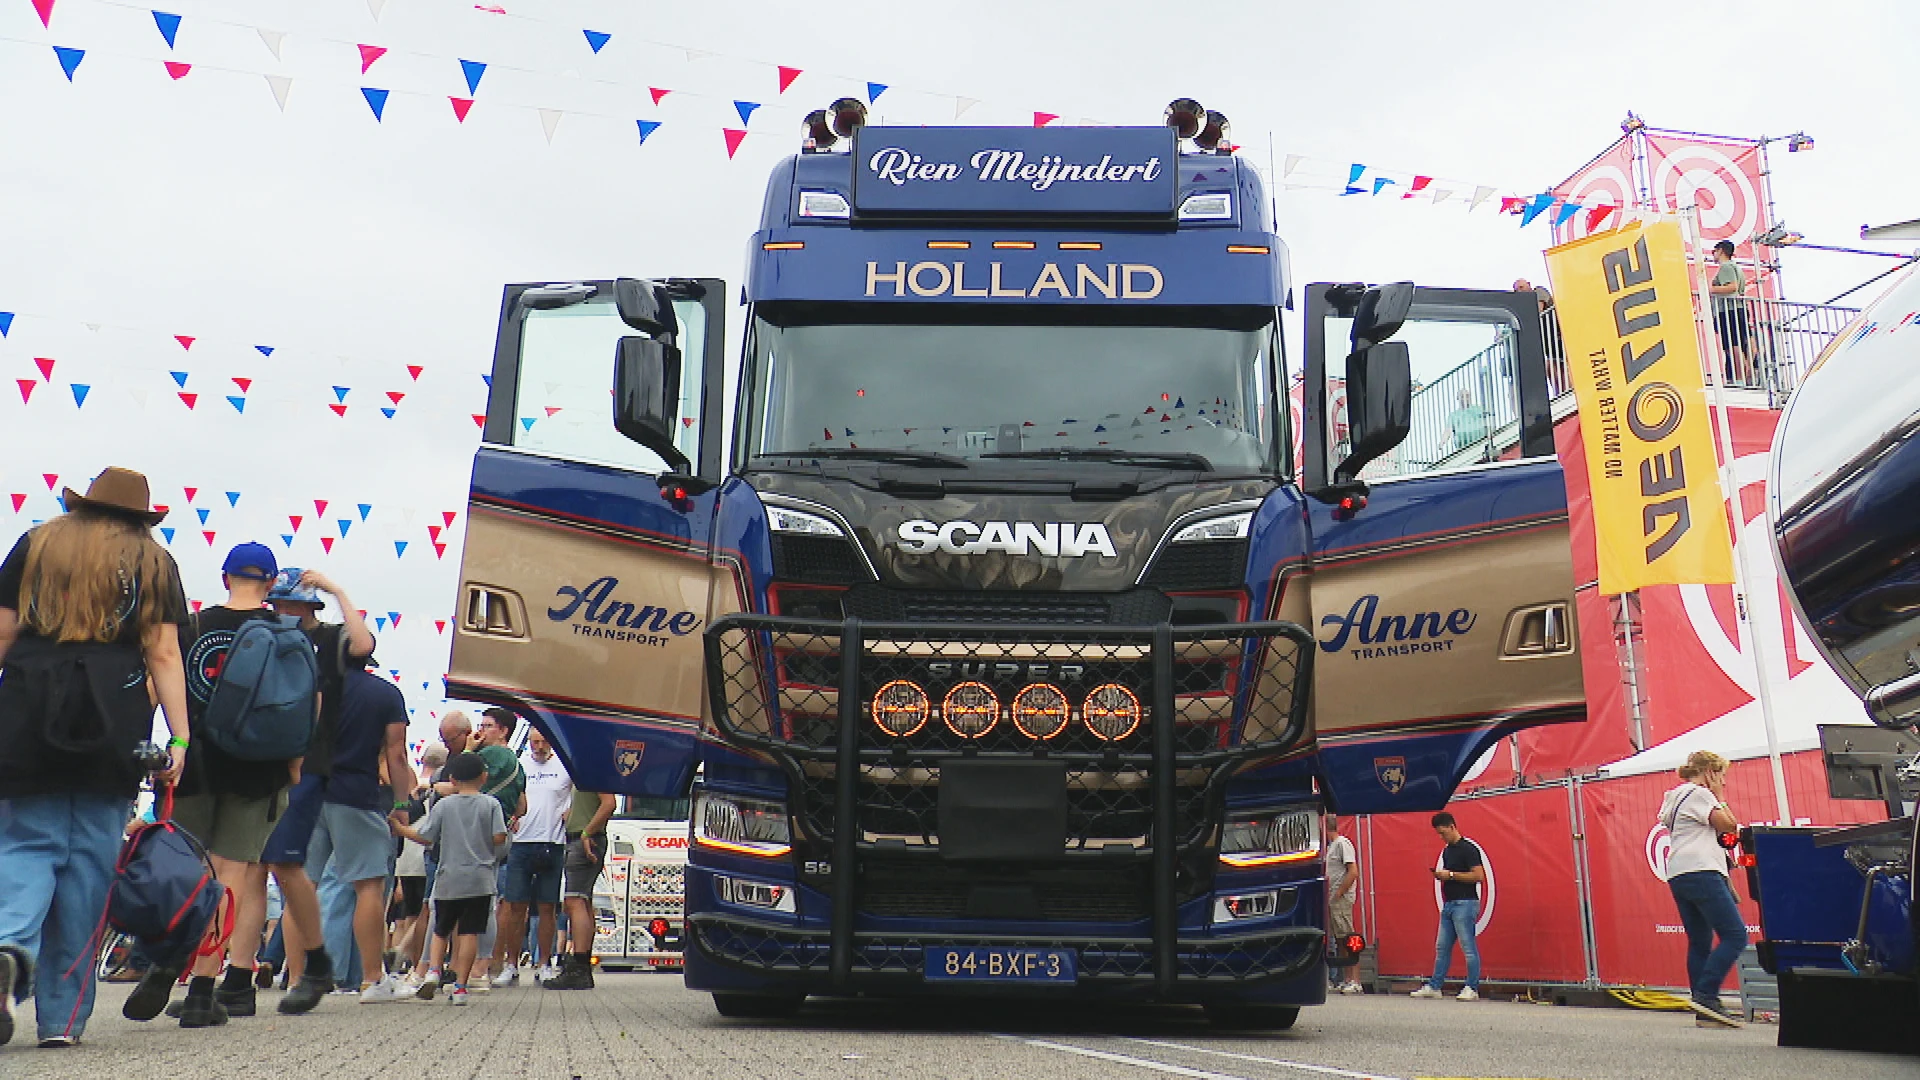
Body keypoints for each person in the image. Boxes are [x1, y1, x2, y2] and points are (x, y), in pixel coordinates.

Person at [0, 467, 191, 1049]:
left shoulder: (35, 545)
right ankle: (61, 1021)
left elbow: (3, 634)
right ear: (141, 517)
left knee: (22, 845)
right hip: (115, 716)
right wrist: (179, 739)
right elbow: (162, 652)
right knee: (88, 869)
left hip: (28, 709)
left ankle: (8, 948)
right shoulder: (154, 564)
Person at [129, 542, 300, 1028]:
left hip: (196, 762)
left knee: (188, 871)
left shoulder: (193, 627)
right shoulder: (285, 633)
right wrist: (293, 769)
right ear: (270, 583)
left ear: (225, 578)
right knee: (234, 879)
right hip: (259, 769)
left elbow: (152, 688)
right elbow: (307, 708)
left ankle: (166, 961)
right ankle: (204, 990)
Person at [254, 566, 375, 1014]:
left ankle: (310, 968)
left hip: (308, 763)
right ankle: (245, 972)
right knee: (259, 866)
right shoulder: (262, 634)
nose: (283, 611)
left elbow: (363, 645)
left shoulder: (328, 640)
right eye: (278, 603)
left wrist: (338, 587)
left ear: (308, 607)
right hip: (261, 758)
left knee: (287, 864)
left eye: (291, 604)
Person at [289, 653, 414, 1002]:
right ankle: (372, 979)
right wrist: (402, 803)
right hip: (355, 794)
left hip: (307, 793)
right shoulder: (384, 694)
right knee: (369, 886)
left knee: (301, 885)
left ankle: (297, 977)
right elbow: (397, 753)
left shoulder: (309, 687)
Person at [394, 753, 506, 1006]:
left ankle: (434, 970)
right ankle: (460, 987)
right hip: (480, 879)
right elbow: (499, 837)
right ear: (484, 777)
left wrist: (401, 829)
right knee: (469, 933)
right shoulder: (491, 805)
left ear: (452, 779)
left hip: (448, 878)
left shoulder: (444, 805)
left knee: (441, 929)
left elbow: (426, 836)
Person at [1658, 750, 1748, 1029]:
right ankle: (1706, 994)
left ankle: (1705, 1011)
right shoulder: (1700, 794)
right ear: (1710, 772)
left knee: (1700, 941)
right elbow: (1729, 826)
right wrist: (1718, 794)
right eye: (1720, 774)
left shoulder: (1673, 796)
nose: (1723, 781)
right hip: (1702, 870)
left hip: (1678, 873)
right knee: (1735, 935)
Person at [494, 728, 573, 987]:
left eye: (543, 742)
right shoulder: (519, 765)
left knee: (548, 907)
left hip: (552, 842)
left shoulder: (565, 764)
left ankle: (544, 963)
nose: (538, 747)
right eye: (533, 742)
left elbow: (584, 793)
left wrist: (572, 811)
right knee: (515, 906)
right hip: (522, 843)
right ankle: (511, 964)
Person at [466, 707, 527, 986]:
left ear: (503, 731)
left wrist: (468, 749)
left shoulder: (491, 755)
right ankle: (486, 963)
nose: (481, 730)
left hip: (478, 834)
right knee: (491, 898)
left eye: (488, 725)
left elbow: (462, 780)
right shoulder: (517, 763)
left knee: (472, 901)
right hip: (502, 834)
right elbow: (523, 806)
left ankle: (476, 965)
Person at [546, 785, 615, 990]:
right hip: (582, 838)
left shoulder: (594, 771)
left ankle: (579, 965)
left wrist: (587, 832)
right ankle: (581, 964)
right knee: (583, 901)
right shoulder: (586, 774)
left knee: (574, 901)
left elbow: (609, 803)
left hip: (585, 841)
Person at [1410, 811, 1484, 1002]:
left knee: (1468, 947)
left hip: (1465, 903)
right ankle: (1435, 985)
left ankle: (1472, 987)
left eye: (1443, 832)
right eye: (1439, 834)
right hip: (1449, 903)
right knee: (1442, 947)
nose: (1442, 837)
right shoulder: (1447, 850)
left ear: (1452, 827)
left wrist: (1450, 875)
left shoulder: (1469, 849)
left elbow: (1478, 876)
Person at [1324, 813, 1363, 995]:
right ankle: (1345, 979)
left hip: (1341, 899)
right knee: (1340, 939)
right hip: (1333, 900)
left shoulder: (1342, 844)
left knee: (1348, 938)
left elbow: (1353, 871)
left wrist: (1339, 893)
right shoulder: (1331, 847)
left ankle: (1355, 980)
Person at [1708, 240, 1750, 382]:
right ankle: (1743, 376)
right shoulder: (1736, 267)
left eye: (1714, 251)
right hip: (1736, 309)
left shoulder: (1726, 267)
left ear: (1721, 251)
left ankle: (1740, 378)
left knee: (1732, 346)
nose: (1713, 254)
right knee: (1738, 344)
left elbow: (1732, 287)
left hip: (1728, 311)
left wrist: (1711, 290)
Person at [1448, 387, 1489, 451]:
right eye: (1462, 396)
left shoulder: (1478, 409)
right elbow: (1448, 430)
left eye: (1467, 396)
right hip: (1463, 448)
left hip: (1480, 443)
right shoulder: (1454, 415)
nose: (1465, 398)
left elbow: (1487, 420)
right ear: (1458, 398)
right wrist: (1442, 442)